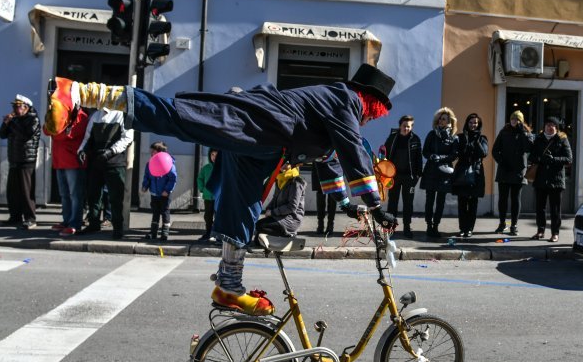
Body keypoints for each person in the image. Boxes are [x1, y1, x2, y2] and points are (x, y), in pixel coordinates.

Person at [44, 63, 398, 316]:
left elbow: (331, 160)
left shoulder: (336, 108)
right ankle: (79, 91)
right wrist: (375, 203)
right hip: (257, 123)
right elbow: (352, 147)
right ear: (370, 102)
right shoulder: (344, 98)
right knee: (180, 118)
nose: (369, 120)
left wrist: (348, 204)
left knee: (242, 208)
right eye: (374, 113)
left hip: (264, 147)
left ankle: (229, 285)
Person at [78, 107, 134, 240]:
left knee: (115, 197)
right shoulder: (96, 116)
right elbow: (88, 136)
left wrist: (110, 152)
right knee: (93, 195)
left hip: (114, 162)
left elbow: (127, 138)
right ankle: (94, 223)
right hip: (96, 161)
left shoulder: (123, 116)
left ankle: (118, 228)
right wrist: (81, 150)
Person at [44, 107, 89, 237]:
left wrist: (55, 129)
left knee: (75, 194)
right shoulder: (60, 115)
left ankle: (75, 223)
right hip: (60, 160)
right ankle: (67, 220)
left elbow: (66, 135)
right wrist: (51, 117)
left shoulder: (81, 116)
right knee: (64, 194)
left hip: (73, 161)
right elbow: (46, 131)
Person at [0, 94, 41, 229]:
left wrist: (12, 123)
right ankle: (15, 216)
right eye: (14, 107)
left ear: (26, 107)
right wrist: (6, 123)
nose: (15, 110)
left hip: (26, 159)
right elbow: (1, 135)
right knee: (12, 191)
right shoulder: (14, 120)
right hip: (14, 159)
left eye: (18, 107)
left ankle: (30, 218)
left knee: (26, 191)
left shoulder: (33, 119)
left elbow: (26, 135)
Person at [530, 117, 573, 242]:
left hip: (556, 179)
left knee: (555, 209)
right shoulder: (538, 139)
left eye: (553, 125)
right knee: (540, 208)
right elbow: (532, 156)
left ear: (556, 127)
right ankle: (540, 231)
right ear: (544, 126)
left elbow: (569, 159)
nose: (550, 127)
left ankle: (555, 233)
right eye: (548, 124)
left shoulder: (562, 139)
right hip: (541, 178)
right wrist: (541, 158)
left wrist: (553, 159)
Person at [492, 111, 534, 236]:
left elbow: (529, 148)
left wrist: (523, 133)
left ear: (521, 121)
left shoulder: (526, 133)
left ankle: (514, 225)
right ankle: (502, 223)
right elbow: (495, 150)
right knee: (503, 199)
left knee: (516, 199)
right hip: (504, 170)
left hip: (518, 171)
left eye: (517, 119)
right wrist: (501, 162)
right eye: (513, 119)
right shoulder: (504, 132)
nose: (514, 121)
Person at [420, 107, 458, 238]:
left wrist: (441, 157)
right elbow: (424, 151)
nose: (442, 121)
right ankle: (428, 225)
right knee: (429, 200)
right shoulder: (432, 134)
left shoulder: (454, 138)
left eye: (445, 119)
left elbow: (454, 155)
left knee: (440, 201)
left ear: (450, 122)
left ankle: (436, 225)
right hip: (431, 171)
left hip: (444, 173)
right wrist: (431, 156)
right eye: (440, 119)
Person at [382, 114, 423, 239]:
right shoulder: (393, 138)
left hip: (409, 178)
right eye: (404, 126)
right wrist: (384, 173)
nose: (406, 129)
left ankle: (407, 227)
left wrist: (417, 176)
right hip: (394, 177)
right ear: (400, 126)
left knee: (408, 204)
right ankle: (390, 227)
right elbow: (385, 154)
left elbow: (419, 159)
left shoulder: (415, 139)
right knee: (392, 203)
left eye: (409, 127)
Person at [451, 113, 488, 238]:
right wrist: (465, 142)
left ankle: (470, 229)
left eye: (475, 123)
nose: (473, 125)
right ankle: (462, 228)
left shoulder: (482, 138)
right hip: (462, 172)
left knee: (473, 203)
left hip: (476, 173)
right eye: (471, 122)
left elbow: (483, 153)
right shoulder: (460, 137)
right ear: (467, 123)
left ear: (479, 124)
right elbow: (457, 153)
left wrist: (476, 141)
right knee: (462, 203)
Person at [255, 161, 306, 237]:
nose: (284, 166)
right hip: (279, 216)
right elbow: (274, 198)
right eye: (282, 163)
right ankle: (276, 237)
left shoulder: (296, 182)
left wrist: (272, 212)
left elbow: (292, 207)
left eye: (287, 164)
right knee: (258, 235)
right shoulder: (280, 178)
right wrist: (268, 209)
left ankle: (288, 235)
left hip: (291, 219)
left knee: (260, 226)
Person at [142, 141, 177, 242]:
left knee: (165, 212)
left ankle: (165, 233)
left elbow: (173, 178)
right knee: (155, 212)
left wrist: (167, 190)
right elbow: (147, 177)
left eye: (153, 152)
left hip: (164, 194)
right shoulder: (149, 164)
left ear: (160, 153)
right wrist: (145, 186)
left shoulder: (169, 164)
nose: (151, 153)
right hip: (154, 192)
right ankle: (153, 232)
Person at [197, 148, 219, 241]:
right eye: (212, 155)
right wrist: (202, 188)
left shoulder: (222, 168)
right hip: (208, 197)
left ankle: (218, 234)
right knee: (208, 216)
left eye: (216, 155)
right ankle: (208, 232)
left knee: (218, 216)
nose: (214, 157)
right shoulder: (206, 168)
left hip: (218, 197)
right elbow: (200, 178)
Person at [311, 166, 336, 236]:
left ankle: (327, 224)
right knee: (323, 194)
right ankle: (323, 224)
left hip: (327, 163)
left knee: (331, 194)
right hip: (323, 163)